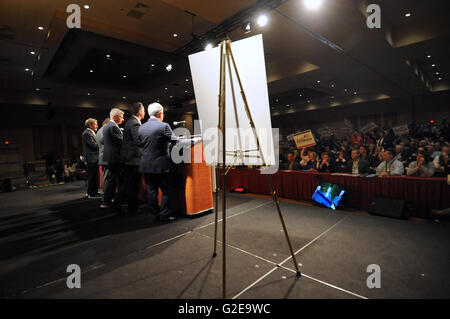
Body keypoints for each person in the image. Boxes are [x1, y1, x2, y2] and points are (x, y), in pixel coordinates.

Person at [139, 103, 178, 222]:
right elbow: (175, 141)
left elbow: (141, 144)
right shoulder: (163, 126)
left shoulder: (141, 127)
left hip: (146, 164)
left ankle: (155, 214)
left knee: (151, 191)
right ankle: (165, 215)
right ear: (160, 113)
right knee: (166, 190)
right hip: (161, 164)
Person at [117, 102, 146, 214]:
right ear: (139, 112)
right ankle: (132, 209)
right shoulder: (135, 123)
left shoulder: (131, 122)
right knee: (132, 185)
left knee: (127, 184)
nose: (144, 112)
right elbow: (139, 141)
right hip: (133, 159)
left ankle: (118, 204)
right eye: (143, 110)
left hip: (128, 158)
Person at [101, 109, 124, 209]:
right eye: (121, 117)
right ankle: (116, 203)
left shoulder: (107, 126)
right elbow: (121, 141)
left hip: (110, 157)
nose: (123, 119)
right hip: (115, 158)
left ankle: (107, 201)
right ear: (115, 117)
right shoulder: (113, 126)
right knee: (117, 181)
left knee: (112, 180)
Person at [82, 118, 100, 198]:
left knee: (94, 176)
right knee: (92, 177)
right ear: (90, 125)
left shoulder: (91, 132)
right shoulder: (87, 133)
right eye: (95, 124)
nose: (97, 125)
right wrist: (103, 145)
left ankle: (93, 192)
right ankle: (91, 193)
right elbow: (93, 146)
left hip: (94, 158)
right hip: (91, 158)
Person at [96, 117, 110, 195]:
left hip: (103, 155)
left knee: (106, 176)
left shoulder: (100, 130)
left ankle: (106, 193)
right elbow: (104, 141)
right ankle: (106, 194)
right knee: (106, 177)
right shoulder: (104, 130)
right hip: (105, 156)